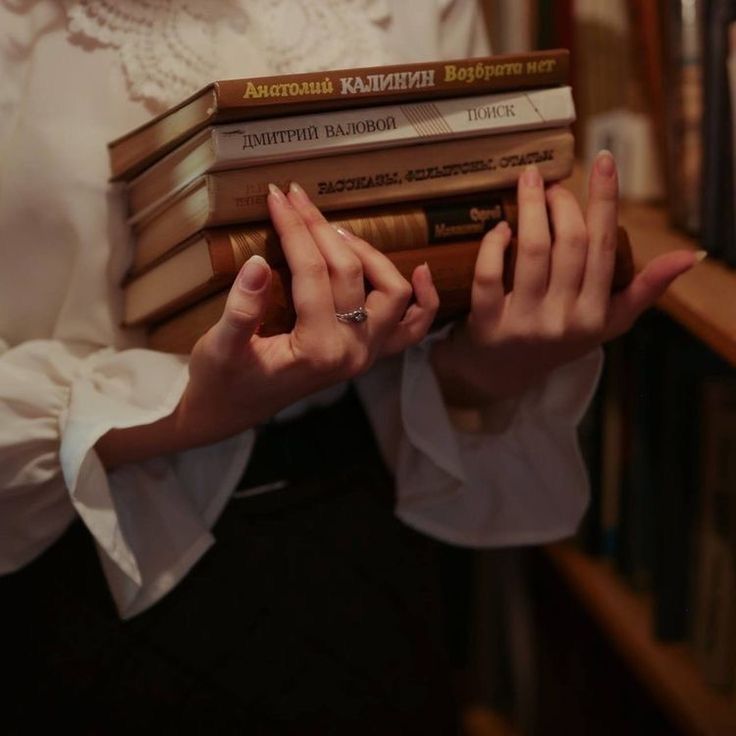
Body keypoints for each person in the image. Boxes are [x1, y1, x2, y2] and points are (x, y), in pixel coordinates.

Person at [0, 0, 698, 733]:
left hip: (347, 542)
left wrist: (500, 361)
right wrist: (186, 415)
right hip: (62, 555)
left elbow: (431, 346)